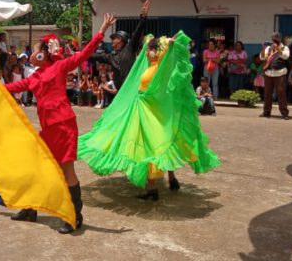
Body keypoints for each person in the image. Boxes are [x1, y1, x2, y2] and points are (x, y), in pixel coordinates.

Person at [4, 13, 116, 234]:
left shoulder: (60, 66)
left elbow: (85, 54)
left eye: (36, 49)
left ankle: (75, 216)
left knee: (66, 172)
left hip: (64, 126)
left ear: (44, 53)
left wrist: (101, 30)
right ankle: (30, 209)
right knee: (34, 166)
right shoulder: (34, 77)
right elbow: (10, 88)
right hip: (49, 130)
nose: (32, 52)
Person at [78, 33, 220, 200]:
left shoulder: (161, 68)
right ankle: (170, 178)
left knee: (150, 146)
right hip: (148, 110)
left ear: (155, 52)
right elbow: (151, 42)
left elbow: (170, 50)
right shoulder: (153, 66)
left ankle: (153, 188)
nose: (145, 53)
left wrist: (168, 42)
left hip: (148, 112)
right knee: (161, 143)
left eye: (148, 50)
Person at [91, 0, 151, 91]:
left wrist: (143, 17)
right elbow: (96, 56)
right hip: (120, 92)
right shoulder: (111, 56)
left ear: (120, 39)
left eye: (114, 38)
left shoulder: (130, 48)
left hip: (131, 88)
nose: (112, 41)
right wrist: (81, 54)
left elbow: (137, 33)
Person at [259, 32, 291, 119]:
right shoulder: (268, 48)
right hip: (269, 73)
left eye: (277, 37)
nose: (275, 39)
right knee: (267, 93)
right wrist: (263, 48)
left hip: (280, 73)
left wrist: (278, 49)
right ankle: (266, 112)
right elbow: (262, 58)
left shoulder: (284, 47)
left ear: (280, 39)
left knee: (281, 93)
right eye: (274, 37)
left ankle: (284, 113)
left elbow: (285, 57)